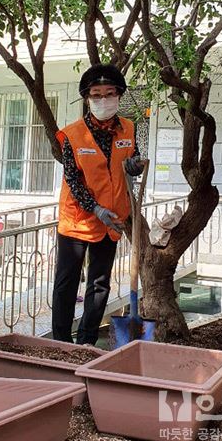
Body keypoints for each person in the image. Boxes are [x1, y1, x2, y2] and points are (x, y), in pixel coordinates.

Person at [52, 64, 143, 345]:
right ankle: (61, 342)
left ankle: (87, 341)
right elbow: (74, 180)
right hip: (78, 219)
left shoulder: (129, 127)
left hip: (112, 219)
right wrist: (96, 209)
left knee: (100, 283)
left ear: (118, 95)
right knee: (67, 284)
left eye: (109, 93)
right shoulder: (72, 135)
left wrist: (135, 166)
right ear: (87, 98)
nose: (103, 100)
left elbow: (132, 159)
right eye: (96, 95)